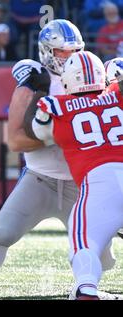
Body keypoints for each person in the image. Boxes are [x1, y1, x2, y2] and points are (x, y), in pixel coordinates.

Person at [0, 19, 117, 300]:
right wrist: (60, 134)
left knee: (104, 257)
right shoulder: (35, 82)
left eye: (75, 50)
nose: (70, 57)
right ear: (47, 52)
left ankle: (84, 288)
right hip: (40, 178)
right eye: (61, 52)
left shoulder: (93, 75)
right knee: (3, 234)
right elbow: (16, 140)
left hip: (82, 183)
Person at [25, 51, 123, 299]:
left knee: (83, 244)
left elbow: (39, 133)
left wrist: (38, 94)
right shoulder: (117, 94)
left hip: (98, 183)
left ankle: (87, 289)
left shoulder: (56, 106)